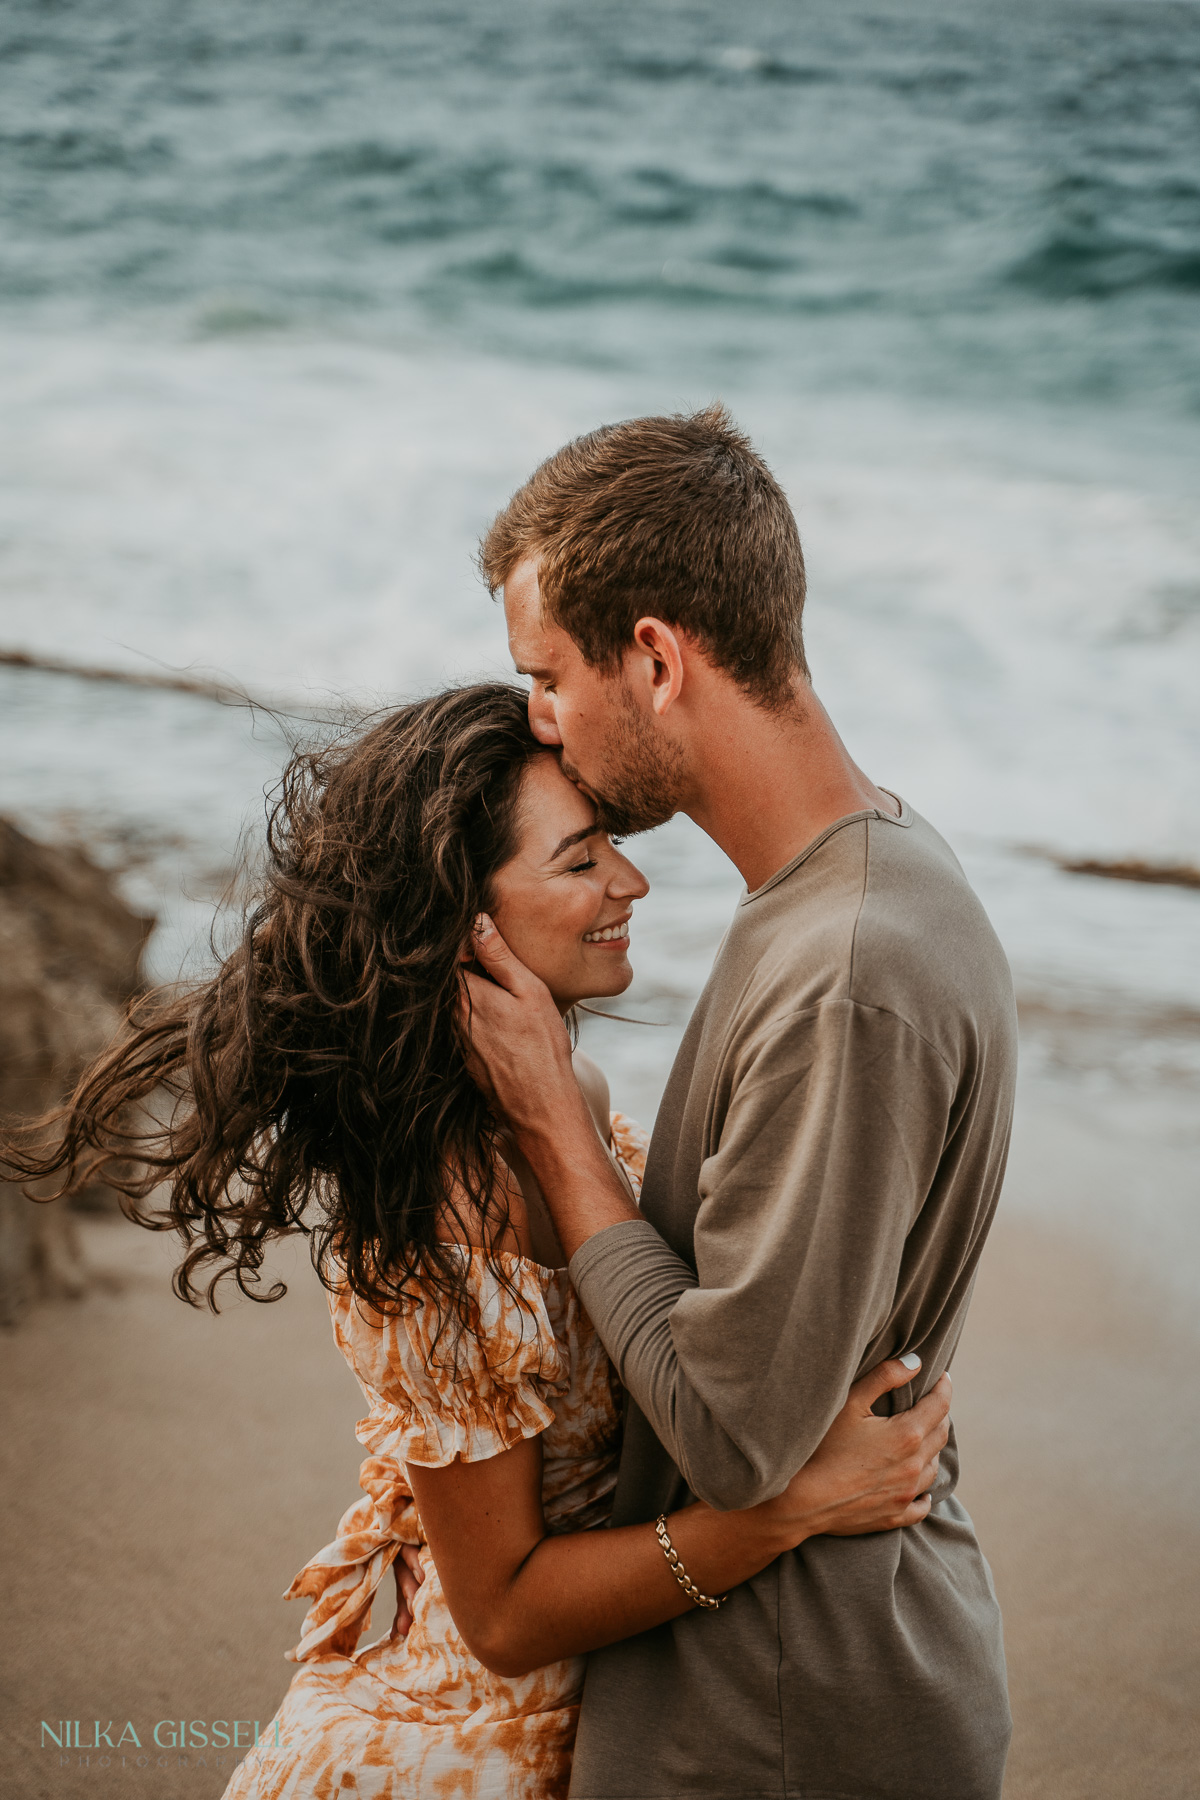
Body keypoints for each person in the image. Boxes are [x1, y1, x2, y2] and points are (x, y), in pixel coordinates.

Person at [6, 683, 951, 1800]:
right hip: (454, 1744)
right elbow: (502, 1612)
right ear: (469, 919)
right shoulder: (449, 1205)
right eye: (581, 859)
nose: (631, 882)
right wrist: (783, 1513)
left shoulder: (572, 1094)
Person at [461, 405, 1018, 1800]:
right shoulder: (873, 867)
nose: (539, 718)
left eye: (545, 676)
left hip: (780, 1726)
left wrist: (557, 1134)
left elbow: (731, 1435)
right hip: (807, 1677)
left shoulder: (844, 971)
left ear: (654, 656)